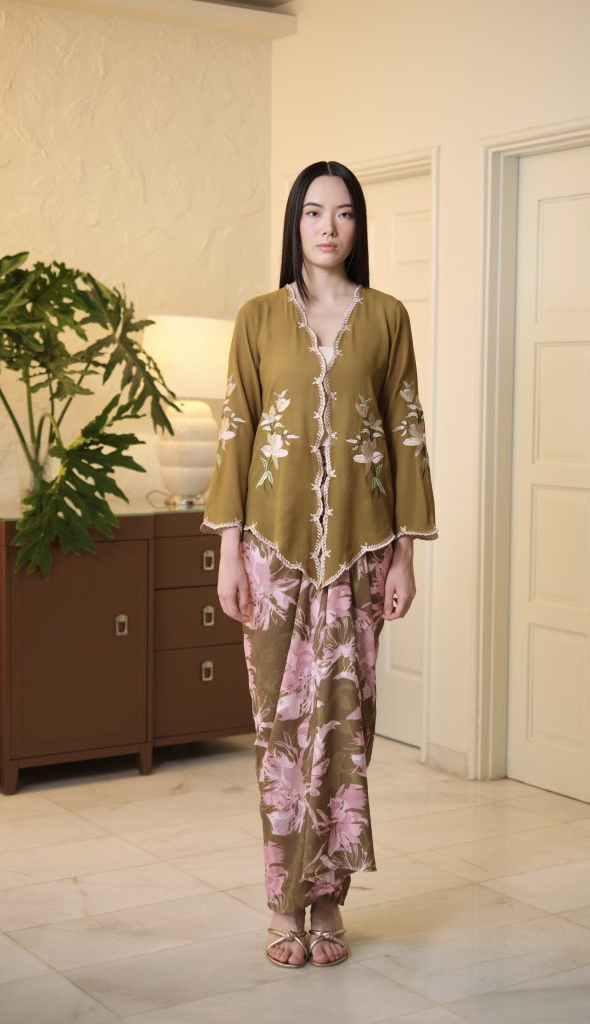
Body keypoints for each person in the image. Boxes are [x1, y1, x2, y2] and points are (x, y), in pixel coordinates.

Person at [200, 160, 437, 968]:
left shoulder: (387, 317)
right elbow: (236, 432)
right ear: (294, 224)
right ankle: (282, 902)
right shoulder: (258, 318)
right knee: (279, 731)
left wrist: (405, 555)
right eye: (312, 212)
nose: (327, 226)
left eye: (341, 212)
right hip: (270, 554)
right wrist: (228, 554)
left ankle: (328, 900)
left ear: (357, 225)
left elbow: (406, 434)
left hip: (362, 554)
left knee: (344, 727)